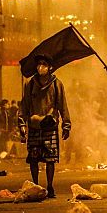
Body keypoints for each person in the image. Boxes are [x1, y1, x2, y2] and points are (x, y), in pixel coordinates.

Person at [19, 54, 71, 198]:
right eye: (39, 64)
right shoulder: (30, 85)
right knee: (34, 159)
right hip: (34, 126)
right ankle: (36, 185)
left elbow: (62, 105)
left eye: (44, 64)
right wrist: (22, 124)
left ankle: (49, 185)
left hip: (50, 126)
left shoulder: (56, 84)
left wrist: (66, 125)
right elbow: (24, 106)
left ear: (50, 67)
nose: (40, 66)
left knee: (50, 159)